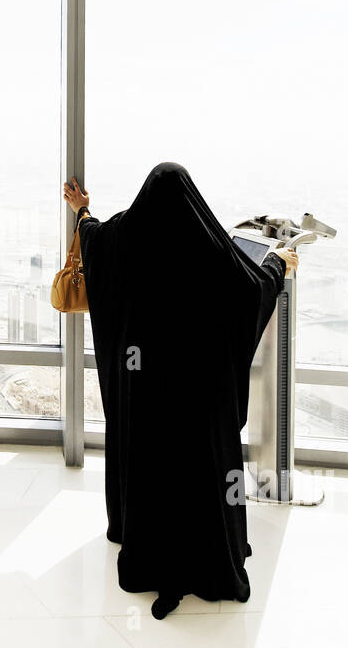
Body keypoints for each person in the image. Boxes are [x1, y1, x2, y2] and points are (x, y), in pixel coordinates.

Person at [62, 163, 297, 619]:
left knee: (149, 462)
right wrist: (277, 263)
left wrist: (83, 211)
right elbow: (252, 292)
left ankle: (147, 545)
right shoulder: (209, 251)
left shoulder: (123, 242)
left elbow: (95, 243)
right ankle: (206, 555)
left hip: (144, 394)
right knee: (201, 469)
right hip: (201, 401)